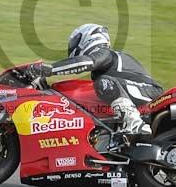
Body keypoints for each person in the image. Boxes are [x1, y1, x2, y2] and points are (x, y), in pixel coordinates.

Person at [32, 23, 163, 135]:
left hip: (150, 93)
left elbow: (85, 62)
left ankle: (135, 124)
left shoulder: (105, 54)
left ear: (88, 39)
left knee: (104, 83)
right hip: (138, 93)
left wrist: (48, 69)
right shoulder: (100, 70)